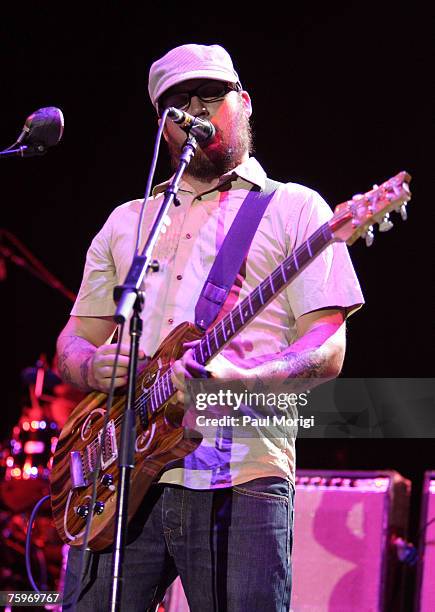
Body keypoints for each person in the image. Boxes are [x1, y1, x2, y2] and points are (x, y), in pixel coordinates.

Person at [57, 43, 364, 611]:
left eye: (211, 96)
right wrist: (90, 363)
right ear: (162, 128)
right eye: (179, 105)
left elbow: (328, 348)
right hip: (119, 476)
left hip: (242, 474)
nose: (197, 111)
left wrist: (240, 378)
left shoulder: (297, 209)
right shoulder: (129, 221)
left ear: (243, 102)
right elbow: (71, 344)